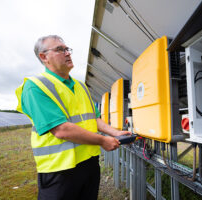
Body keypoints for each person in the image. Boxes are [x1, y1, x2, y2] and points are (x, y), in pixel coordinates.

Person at [15, 35, 130, 200]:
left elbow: (94, 118)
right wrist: (103, 141)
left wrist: (115, 133)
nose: (67, 53)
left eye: (67, 49)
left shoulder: (80, 86)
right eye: (60, 50)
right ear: (43, 57)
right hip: (59, 169)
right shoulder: (35, 87)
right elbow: (61, 129)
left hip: (89, 162)